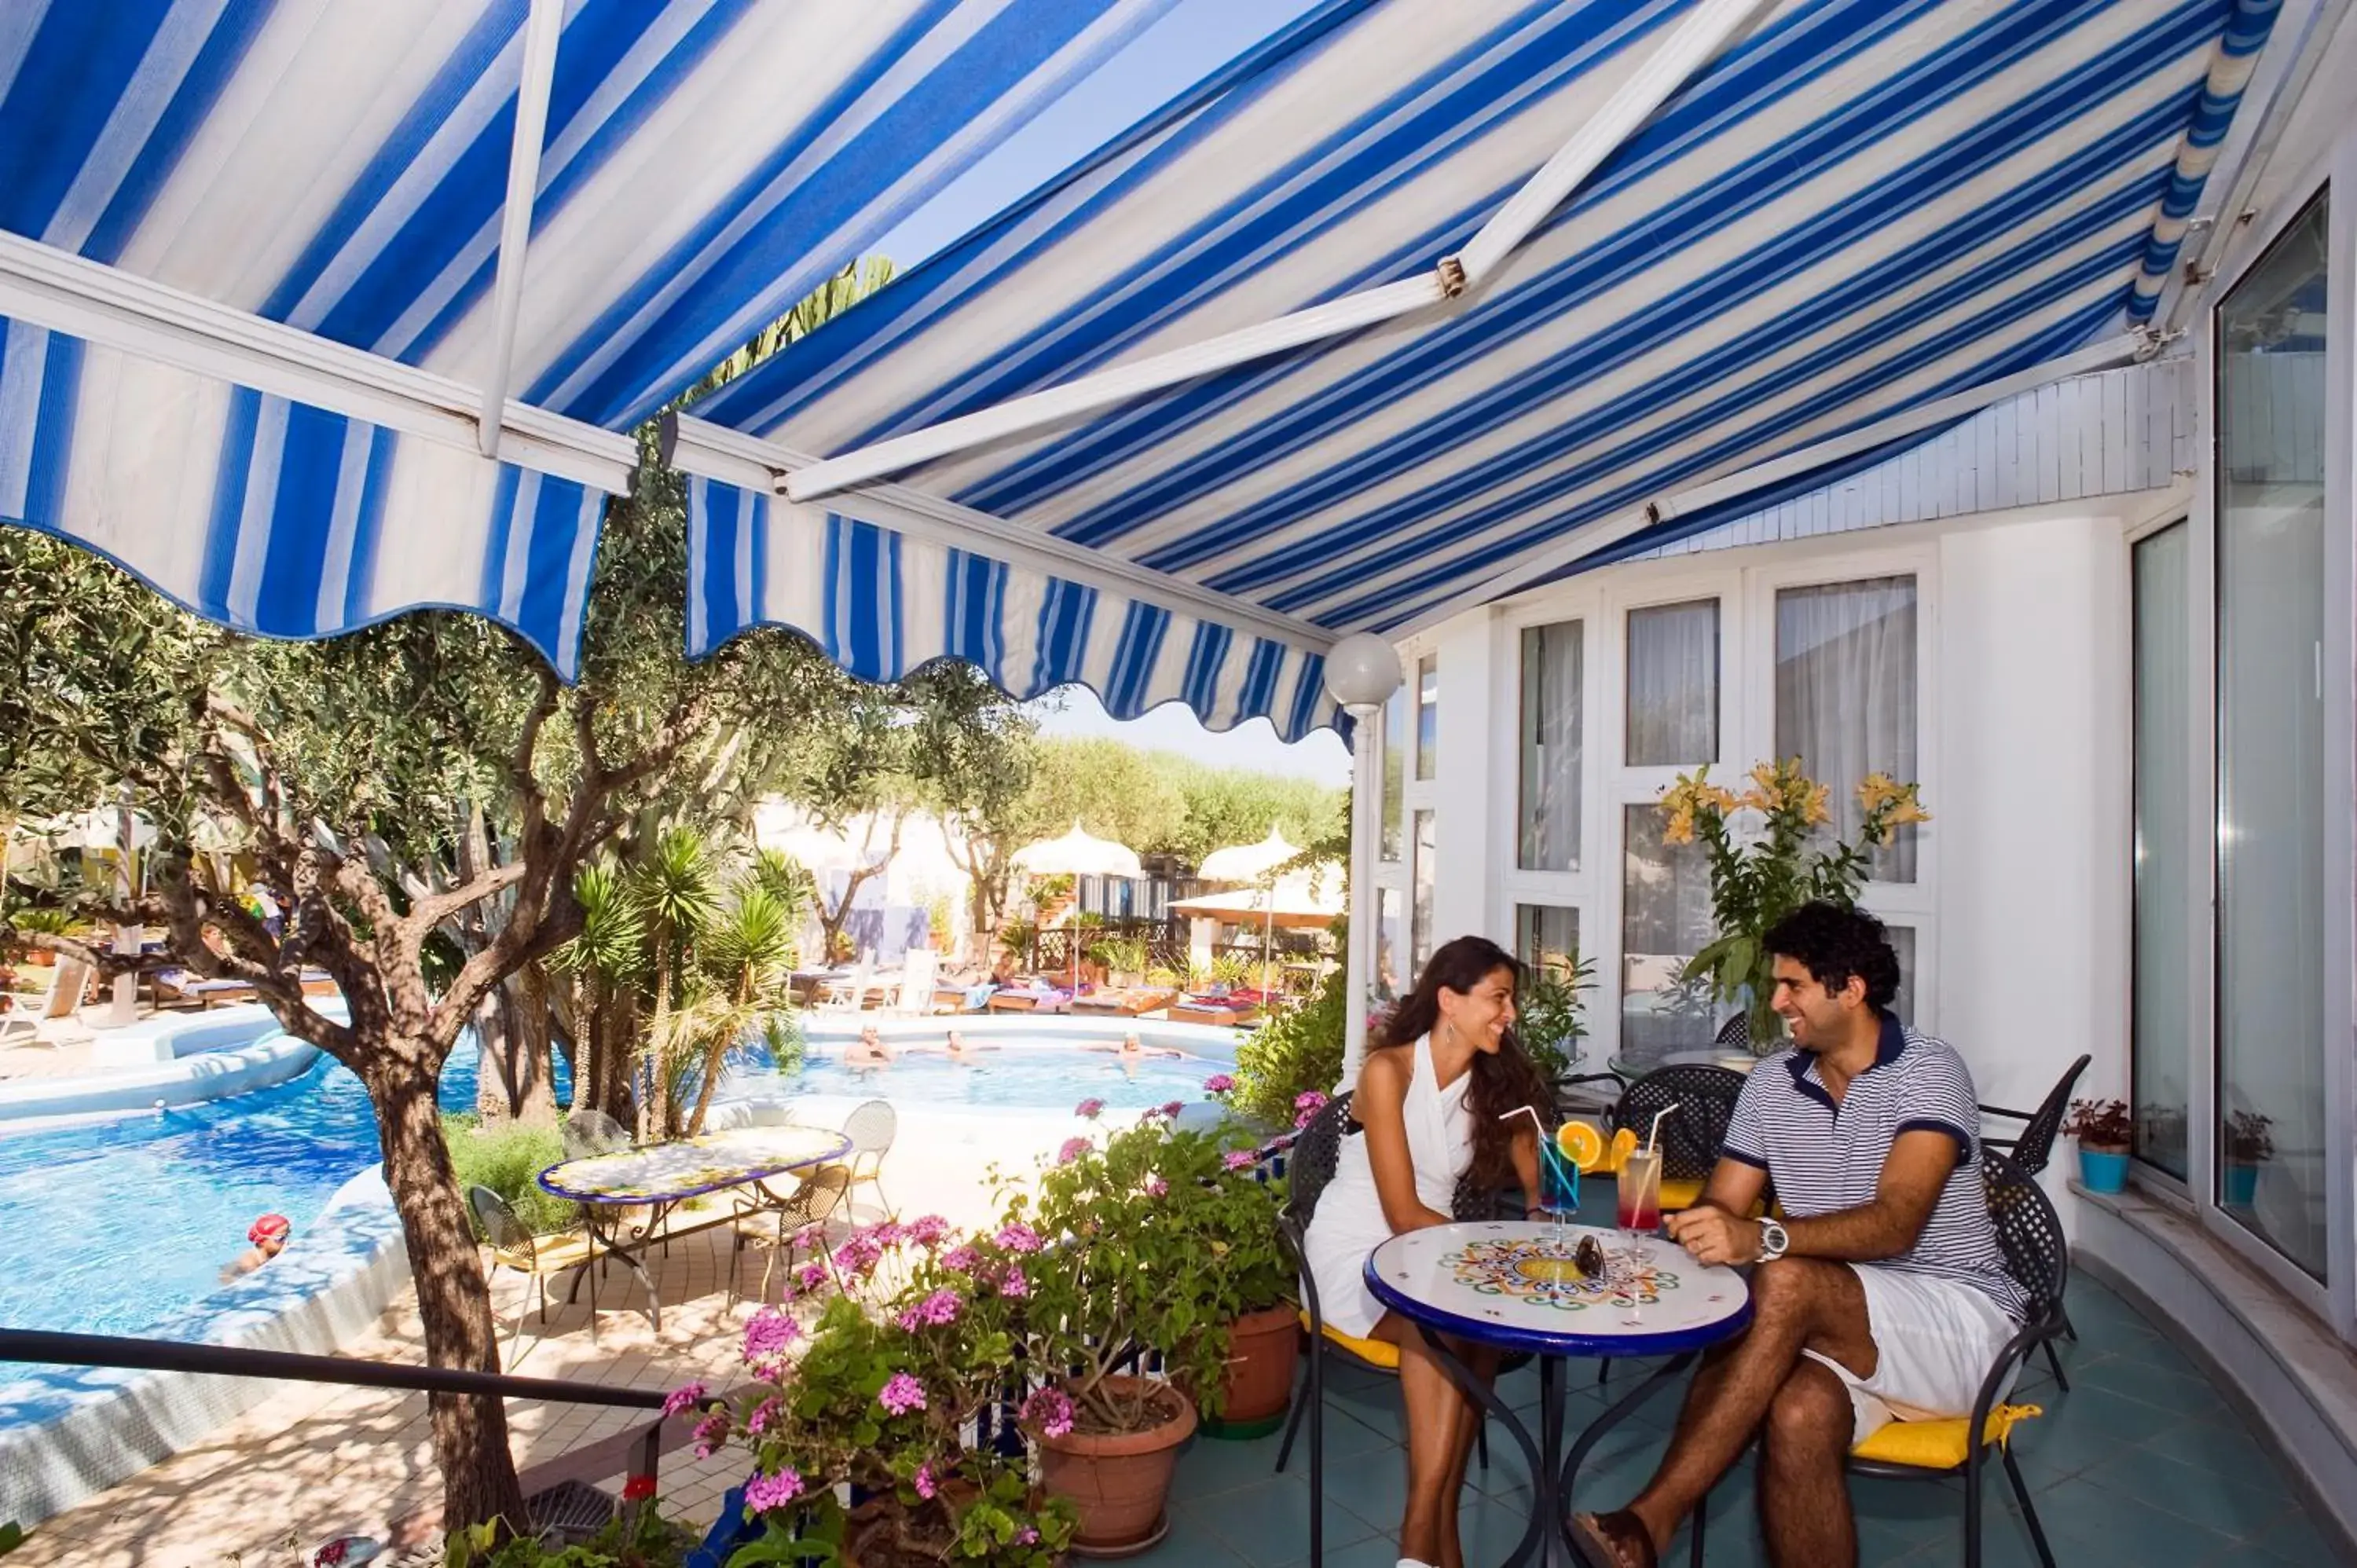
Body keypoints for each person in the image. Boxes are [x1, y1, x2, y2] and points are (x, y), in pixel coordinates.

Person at [1574, 903, 2028, 1568]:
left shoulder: (1929, 1070)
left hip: (1961, 1320)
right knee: (1797, 1414)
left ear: (1851, 989)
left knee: (1783, 1277)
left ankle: (1651, 1520)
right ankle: (1649, 1529)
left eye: (1794, 986)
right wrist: (1691, 1229)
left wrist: (1762, 1240)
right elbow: (1723, 1201)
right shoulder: (1770, 1085)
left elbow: (1898, 1222)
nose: (1777, 1000)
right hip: (1840, 1335)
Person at [1299, 935, 1547, 1568]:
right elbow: (1404, 1213)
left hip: (1432, 1251)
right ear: (1449, 1000)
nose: (1509, 1013)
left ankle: (1439, 1532)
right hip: (1359, 1246)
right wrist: (1504, 1257)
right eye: (1498, 998)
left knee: (1480, 1332)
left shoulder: (1490, 1080)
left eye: (1510, 1000)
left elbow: (1529, 1141)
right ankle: (1423, 1531)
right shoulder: (1389, 1072)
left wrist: (1541, 1205)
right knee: (1437, 1324)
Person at [225, 1213, 291, 1280]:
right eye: (280, 1238)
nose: (286, 1242)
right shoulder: (250, 1263)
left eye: (288, 1234)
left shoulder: (274, 1252)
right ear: (262, 1241)